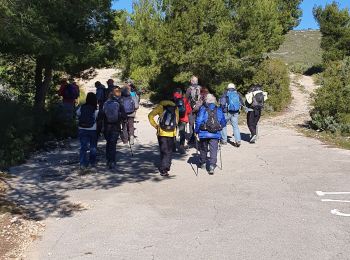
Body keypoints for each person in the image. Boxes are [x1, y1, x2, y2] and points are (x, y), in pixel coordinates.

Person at [195, 94, 226, 175]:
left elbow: (198, 121)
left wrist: (196, 131)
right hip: (215, 133)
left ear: (206, 100)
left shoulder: (203, 109)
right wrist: (219, 127)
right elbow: (223, 122)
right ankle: (212, 165)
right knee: (214, 149)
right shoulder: (218, 109)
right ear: (214, 101)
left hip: (203, 133)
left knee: (203, 149)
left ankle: (203, 163)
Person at [148, 96, 179, 176]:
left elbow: (150, 116)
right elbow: (177, 121)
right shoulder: (175, 107)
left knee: (163, 150)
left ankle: (163, 169)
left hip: (161, 132)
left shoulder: (160, 106)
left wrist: (156, 126)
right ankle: (166, 166)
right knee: (169, 150)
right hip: (172, 132)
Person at [76, 92, 99, 171]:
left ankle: (82, 164)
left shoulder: (82, 107)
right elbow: (96, 117)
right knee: (93, 147)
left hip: (82, 128)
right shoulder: (95, 109)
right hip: (92, 129)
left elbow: (77, 114)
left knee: (83, 147)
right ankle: (92, 163)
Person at [103, 87, 122, 169]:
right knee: (113, 144)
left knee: (108, 143)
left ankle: (108, 160)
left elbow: (102, 115)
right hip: (116, 126)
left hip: (107, 126)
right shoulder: (118, 104)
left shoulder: (105, 104)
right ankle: (112, 161)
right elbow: (123, 115)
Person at [173, 88, 192, 154]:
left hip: (174, 118)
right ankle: (181, 147)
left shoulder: (172, 99)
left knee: (173, 132)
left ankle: (173, 147)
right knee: (182, 133)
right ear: (181, 93)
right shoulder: (184, 100)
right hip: (183, 118)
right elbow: (189, 110)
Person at [186, 76, 202, 144]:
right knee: (199, 122)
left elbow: (186, 99)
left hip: (191, 109)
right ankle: (201, 138)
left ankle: (192, 138)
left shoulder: (189, 89)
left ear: (191, 81)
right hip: (199, 108)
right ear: (197, 81)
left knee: (191, 124)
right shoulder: (200, 88)